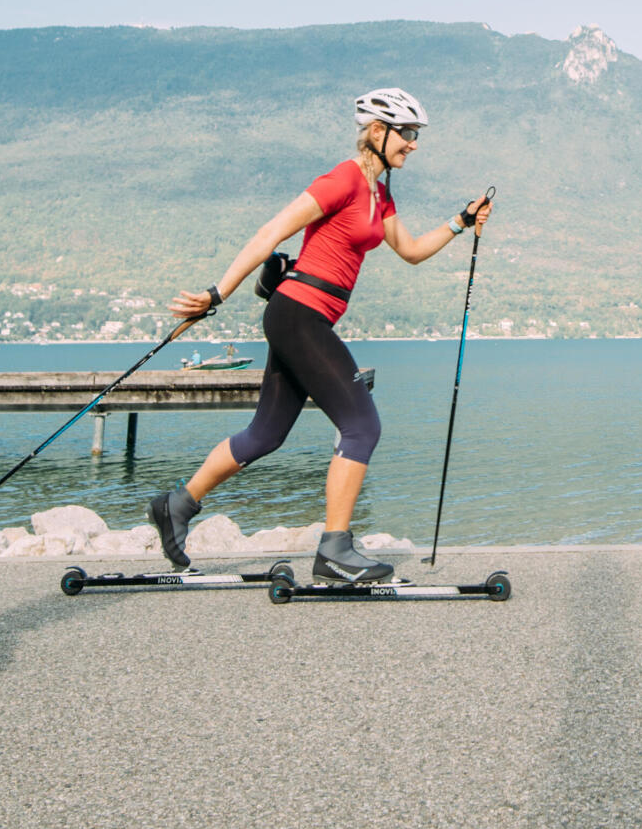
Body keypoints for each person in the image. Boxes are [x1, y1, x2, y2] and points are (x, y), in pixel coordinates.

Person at [149, 87, 493, 582]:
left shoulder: (380, 192)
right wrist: (217, 294)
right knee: (362, 425)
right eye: (408, 133)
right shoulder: (343, 180)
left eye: (416, 135)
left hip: (305, 319)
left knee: (264, 434)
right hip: (298, 314)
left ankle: (176, 505)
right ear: (378, 132)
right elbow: (271, 232)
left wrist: (461, 221)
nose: (414, 144)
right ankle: (335, 549)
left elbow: (412, 251)